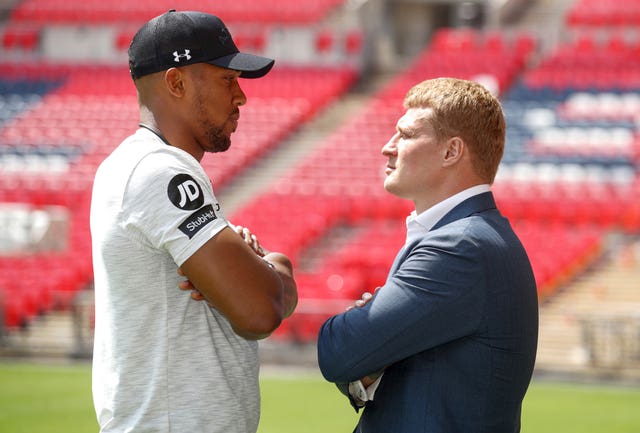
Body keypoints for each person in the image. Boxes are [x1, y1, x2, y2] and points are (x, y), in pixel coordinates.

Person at [90, 10, 297, 433]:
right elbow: (262, 311)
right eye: (227, 79)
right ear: (176, 82)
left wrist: (258, 275)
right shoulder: (160, 171)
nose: (241, 97)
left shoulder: (137, 164)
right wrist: (274, 266)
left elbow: (268, 301)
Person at [317, 77, 538, 433]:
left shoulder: (459, 247)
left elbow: (338, 351)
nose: (387, 148)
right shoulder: (471, 237)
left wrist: (366, 346)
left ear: (451, 152)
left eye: (405, 135)